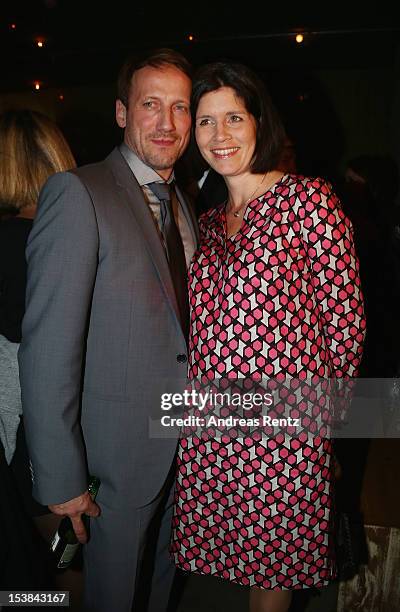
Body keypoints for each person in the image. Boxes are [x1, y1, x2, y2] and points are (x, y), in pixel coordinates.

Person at [170, 62, 366, 612]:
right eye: (205, 122)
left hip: (285, 428)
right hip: (213, 420)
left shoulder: (309, 201)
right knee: (231, 563)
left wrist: (328, 430)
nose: (219, 135)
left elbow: (345, 325)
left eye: (234, 117)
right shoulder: (206, 221)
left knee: (272, 572)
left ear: (260, 120)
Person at [19, 48, 198, 612]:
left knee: (160, 588)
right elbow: (48, 349)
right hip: (112, 462)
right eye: (151, 105)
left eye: (180, 107)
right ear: (122, 113)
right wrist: (60, 475)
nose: (167, 123)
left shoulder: (186, 204)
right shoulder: (79, 193)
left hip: (184, 449)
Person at [0, 108, 76, 589]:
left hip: (16, 427)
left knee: (31, 565)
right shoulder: (46, 242)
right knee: (65, 556)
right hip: (38, 427)